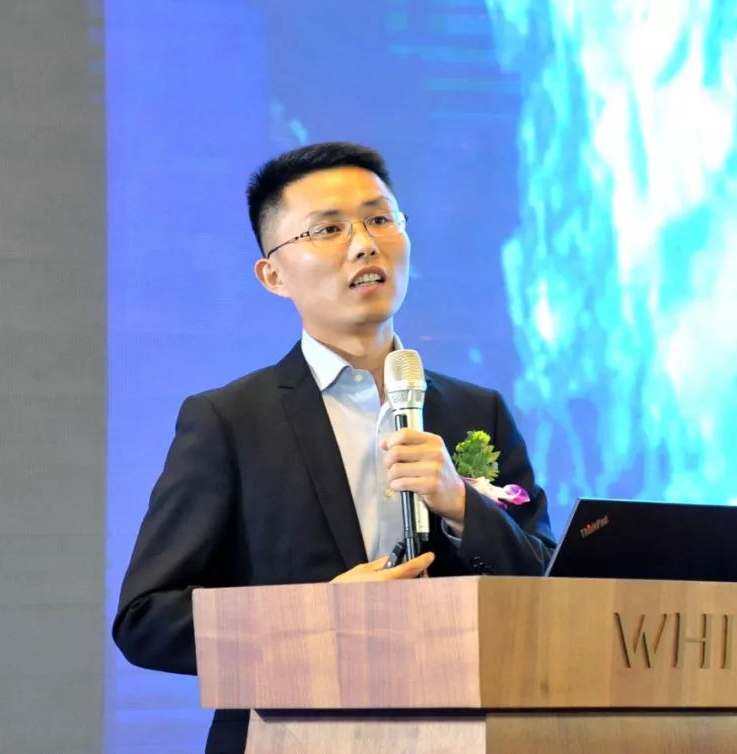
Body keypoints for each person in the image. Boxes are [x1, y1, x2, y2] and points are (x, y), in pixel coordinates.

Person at [112, 141, 556, 753]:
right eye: (327, 229)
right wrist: (322, 617)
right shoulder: (228, 420)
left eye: (380, 219)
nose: (365, 244)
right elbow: (147, 620)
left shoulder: (477, 410)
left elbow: (546, 589)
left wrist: (461, 505)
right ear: (273, 275)